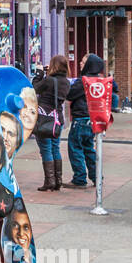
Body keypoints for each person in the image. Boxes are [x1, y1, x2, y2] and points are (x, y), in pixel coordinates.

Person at [64, 53, 105, 188]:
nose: (80, 64)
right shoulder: (99, 80)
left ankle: (79, 178)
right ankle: (97, 176)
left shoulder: (84, 81)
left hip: (80, 119)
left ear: (89, 65)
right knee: (89, 149)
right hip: (92, 119)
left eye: (83, 62)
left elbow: (69, 95)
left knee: (75, 148)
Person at [33, 54, 70, 192]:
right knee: (55, 148)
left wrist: (40, 73)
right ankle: (58, 181)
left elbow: (34, 88)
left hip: (44, 119)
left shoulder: (49, 80)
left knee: (46, 149)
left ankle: (49, 181)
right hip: (57, 120)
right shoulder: (66, 82)